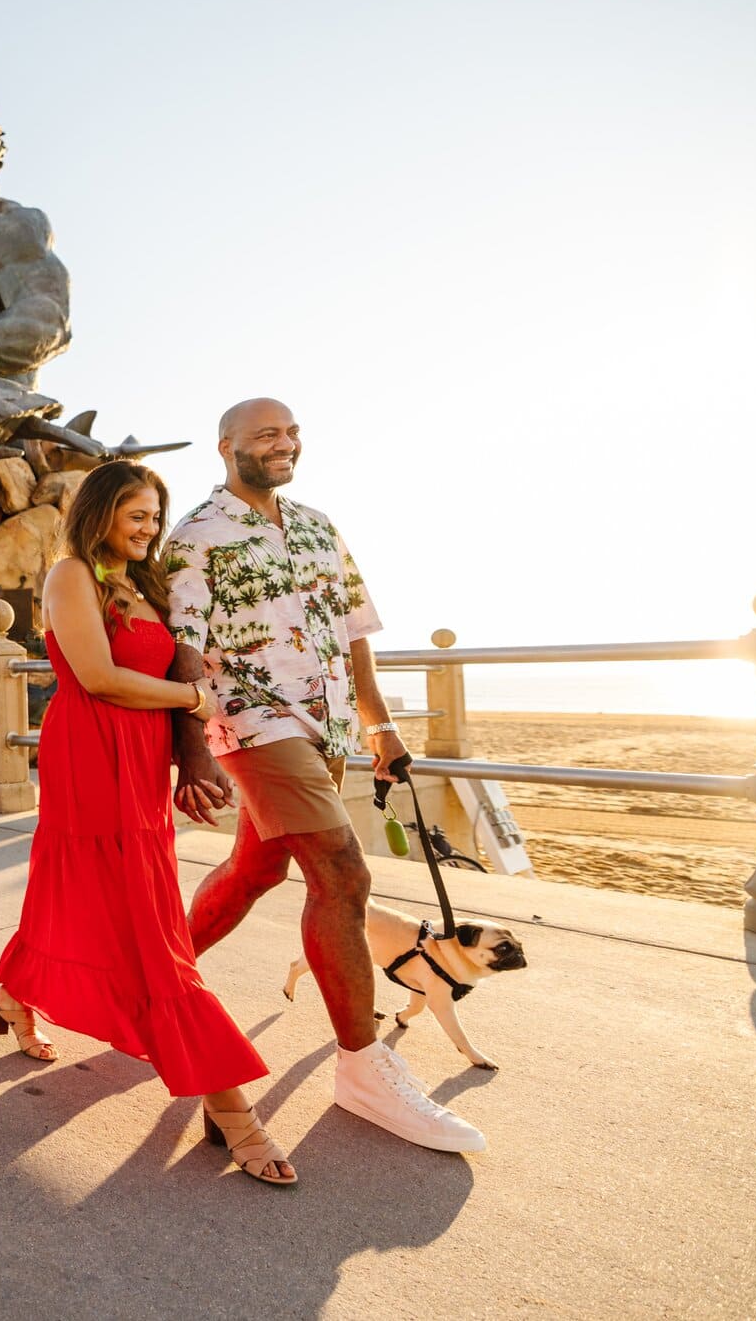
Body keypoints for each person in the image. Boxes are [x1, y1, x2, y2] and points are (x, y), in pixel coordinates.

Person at [163, 397, 485, 1154]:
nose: (286, 443)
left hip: (329, 721)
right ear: (226, 448)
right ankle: (363, 1070)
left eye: (292, 432)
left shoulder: (316, 524)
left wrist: (379, 722)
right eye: (267, 434)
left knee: (256, 869)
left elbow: (352, 628)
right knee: (343, 874)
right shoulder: (196, 538)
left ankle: (149, 978)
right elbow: (183, 648)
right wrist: (193, 750)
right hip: (252, 722)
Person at [0, 462, 295, 1185]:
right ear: (99, 512)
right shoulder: (72, 576)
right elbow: (96, 677)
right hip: (91, 756)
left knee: (91, 899)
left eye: (155, 515)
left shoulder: (149, 590)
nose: (148, 526)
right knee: (148, 929)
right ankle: (233, 1114)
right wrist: (191, 700)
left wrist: (189, 726)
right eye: (135, 512)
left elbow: (174, 671)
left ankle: (12, 991)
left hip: (140, 765)